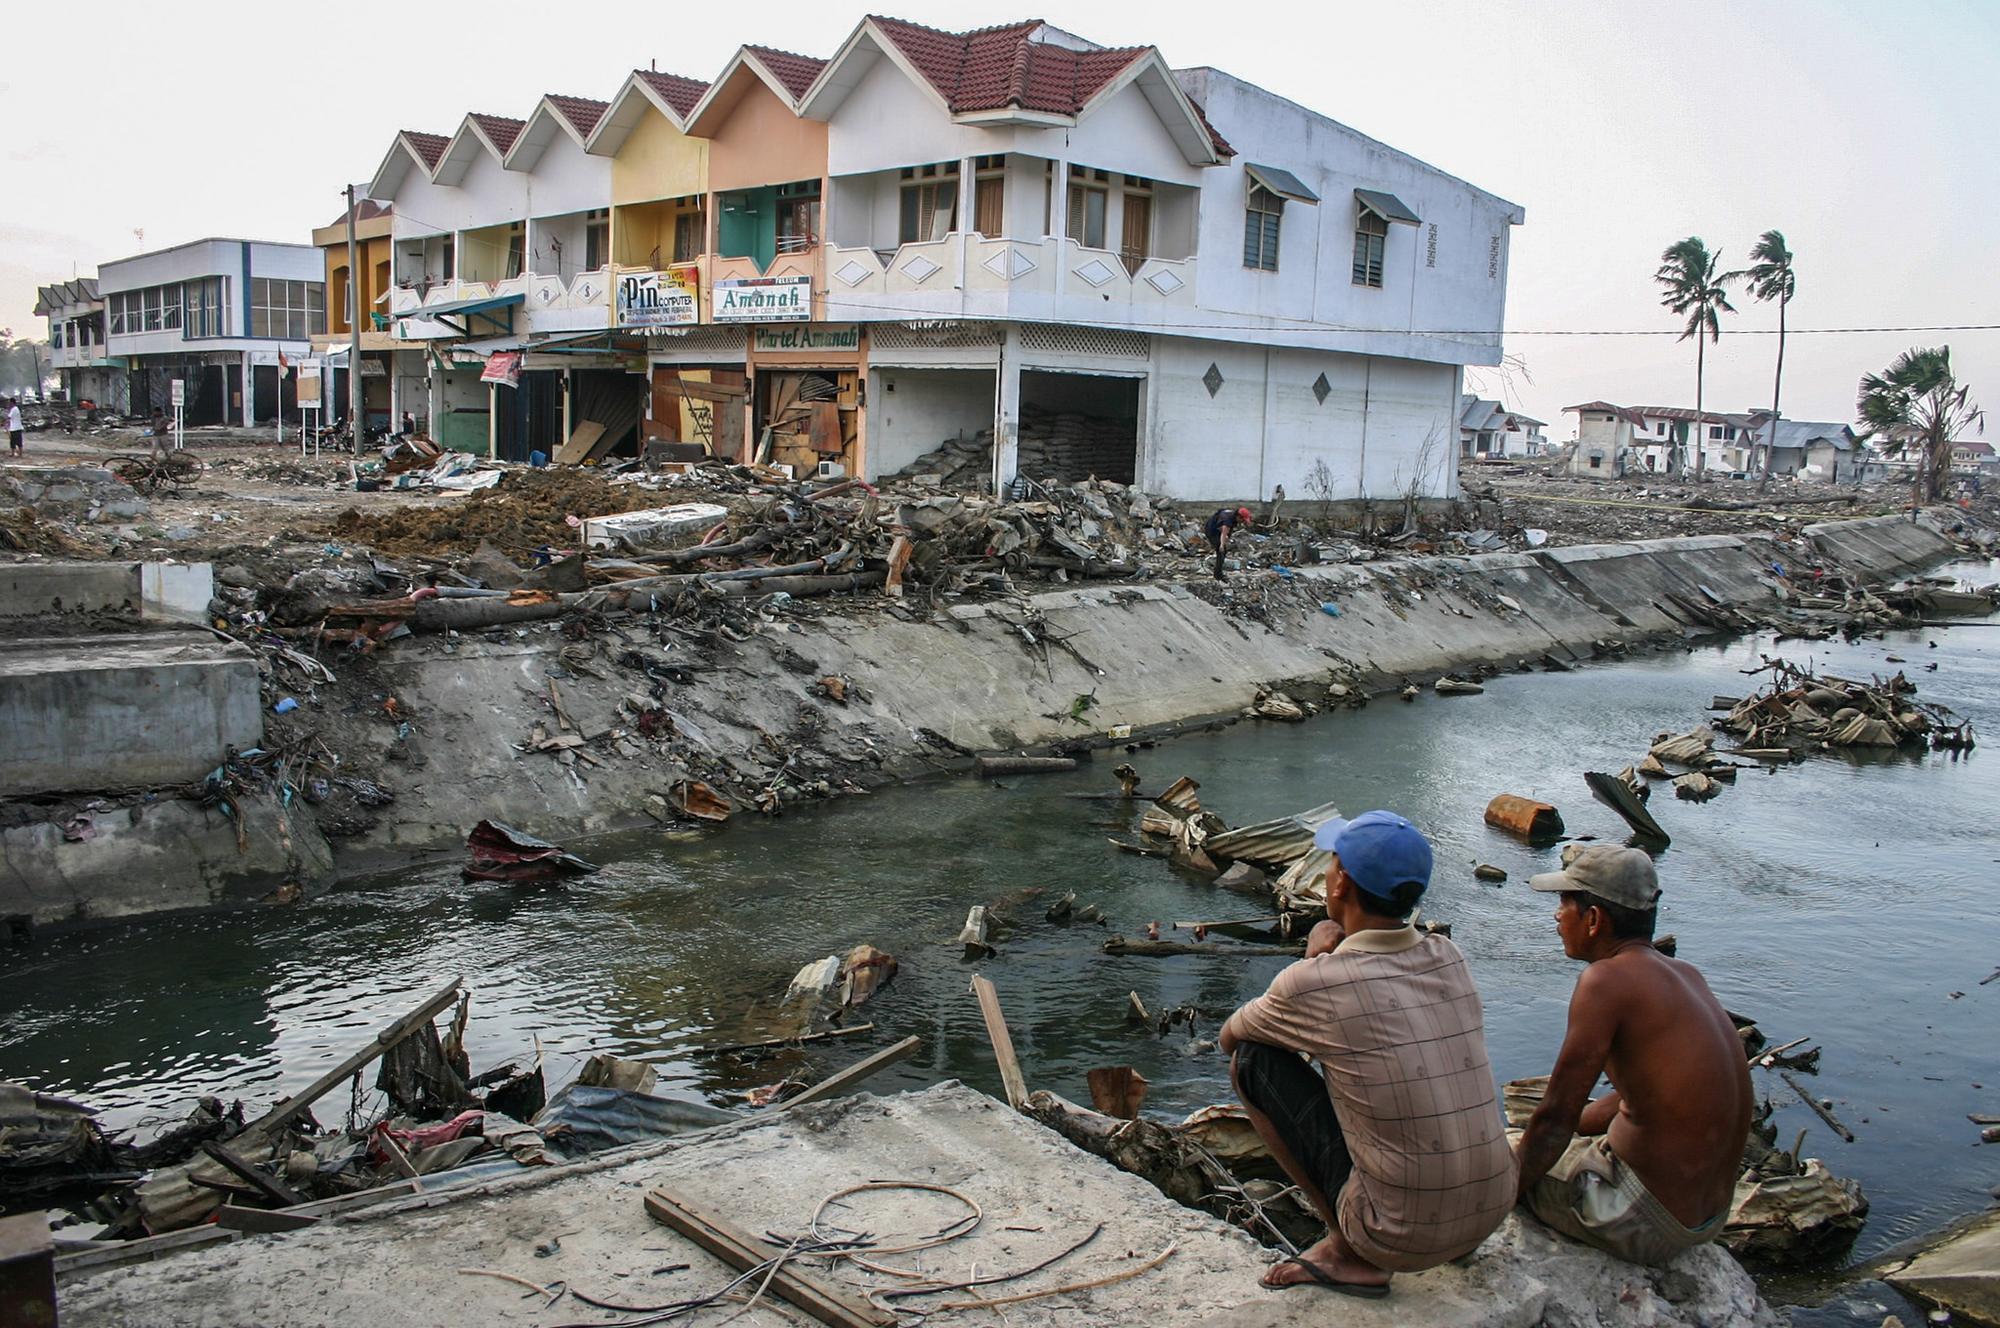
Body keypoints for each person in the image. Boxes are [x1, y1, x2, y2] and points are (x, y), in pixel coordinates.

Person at [1220, 811, 1515, 1298]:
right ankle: (1444, 1228)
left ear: (1341, 886)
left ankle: (1346, 1250)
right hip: (1489, 1211)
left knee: (1252, 1061)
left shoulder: (1317, 980)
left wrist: (1314, 959)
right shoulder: (1448, 956)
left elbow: (1233, 1036)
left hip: (1395, 1236)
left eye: (1332, 862)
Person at [1514, 845, 1752, 1266]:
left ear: (1593, 920)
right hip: (1705, 1218)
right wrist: (1583, 1128)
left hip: (1640, 1220)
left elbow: (1555, 1119)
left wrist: (1502, 1191)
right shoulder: (1686, 975)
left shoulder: (1604, 982)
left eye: (1564, 904)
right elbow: (1647, 1096)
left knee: (1493, 1159)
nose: (1556, 916)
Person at [1203, 505, 1254, 579]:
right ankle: (1218, 575)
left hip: (1217, 527)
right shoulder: (1228, 520)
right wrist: (1222, 545)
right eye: (1242, 520)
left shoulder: (1232, 516)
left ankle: (1218, 573)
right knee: (1222, 552)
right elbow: (1224, 532)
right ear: (1238, 517)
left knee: (1223, 548)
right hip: (1211, 531)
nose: (1242, 522)